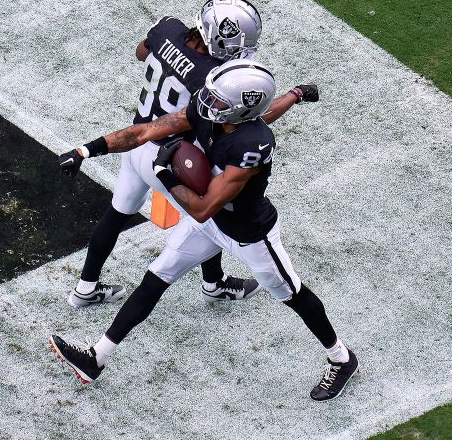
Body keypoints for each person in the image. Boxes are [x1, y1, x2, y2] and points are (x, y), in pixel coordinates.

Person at [52, 60, 359, 401]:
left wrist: (165, 173)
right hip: (213, 223)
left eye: (218, 102)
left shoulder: (252, 146)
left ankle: (341, 357)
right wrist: (86, 150)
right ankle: (97, 358)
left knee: (293, 294)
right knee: (155, 277)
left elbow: (201, 208)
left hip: (248, 233)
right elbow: (144, 132)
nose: (207, 104)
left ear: (240, 112)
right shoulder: (221, 113)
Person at [60, 0, 266, 309]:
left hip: (136, 142)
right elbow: (231, 115)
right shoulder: (212, 74)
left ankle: (85, 287)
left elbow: (142, 52)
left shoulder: (168, 28)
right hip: (172, 158)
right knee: (211, 215)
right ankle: (215, 283)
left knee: (116, 214)